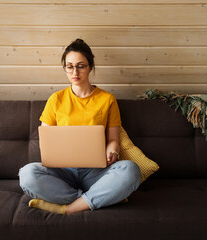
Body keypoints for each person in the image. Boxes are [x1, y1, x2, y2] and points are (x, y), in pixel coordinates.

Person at [18, 39, 141, 215]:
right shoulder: (56, 99)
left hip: (96, 171)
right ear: (65, 68)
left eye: (81, 66)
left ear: (90, 67)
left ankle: (69, 208)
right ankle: (100, 197)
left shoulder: (107, 99)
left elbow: (113, 140)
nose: (75, 72)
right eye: (69, 66)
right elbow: (46, 142)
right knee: (27, 174)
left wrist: (112, 152)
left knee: (130, 170)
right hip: (62, 173)